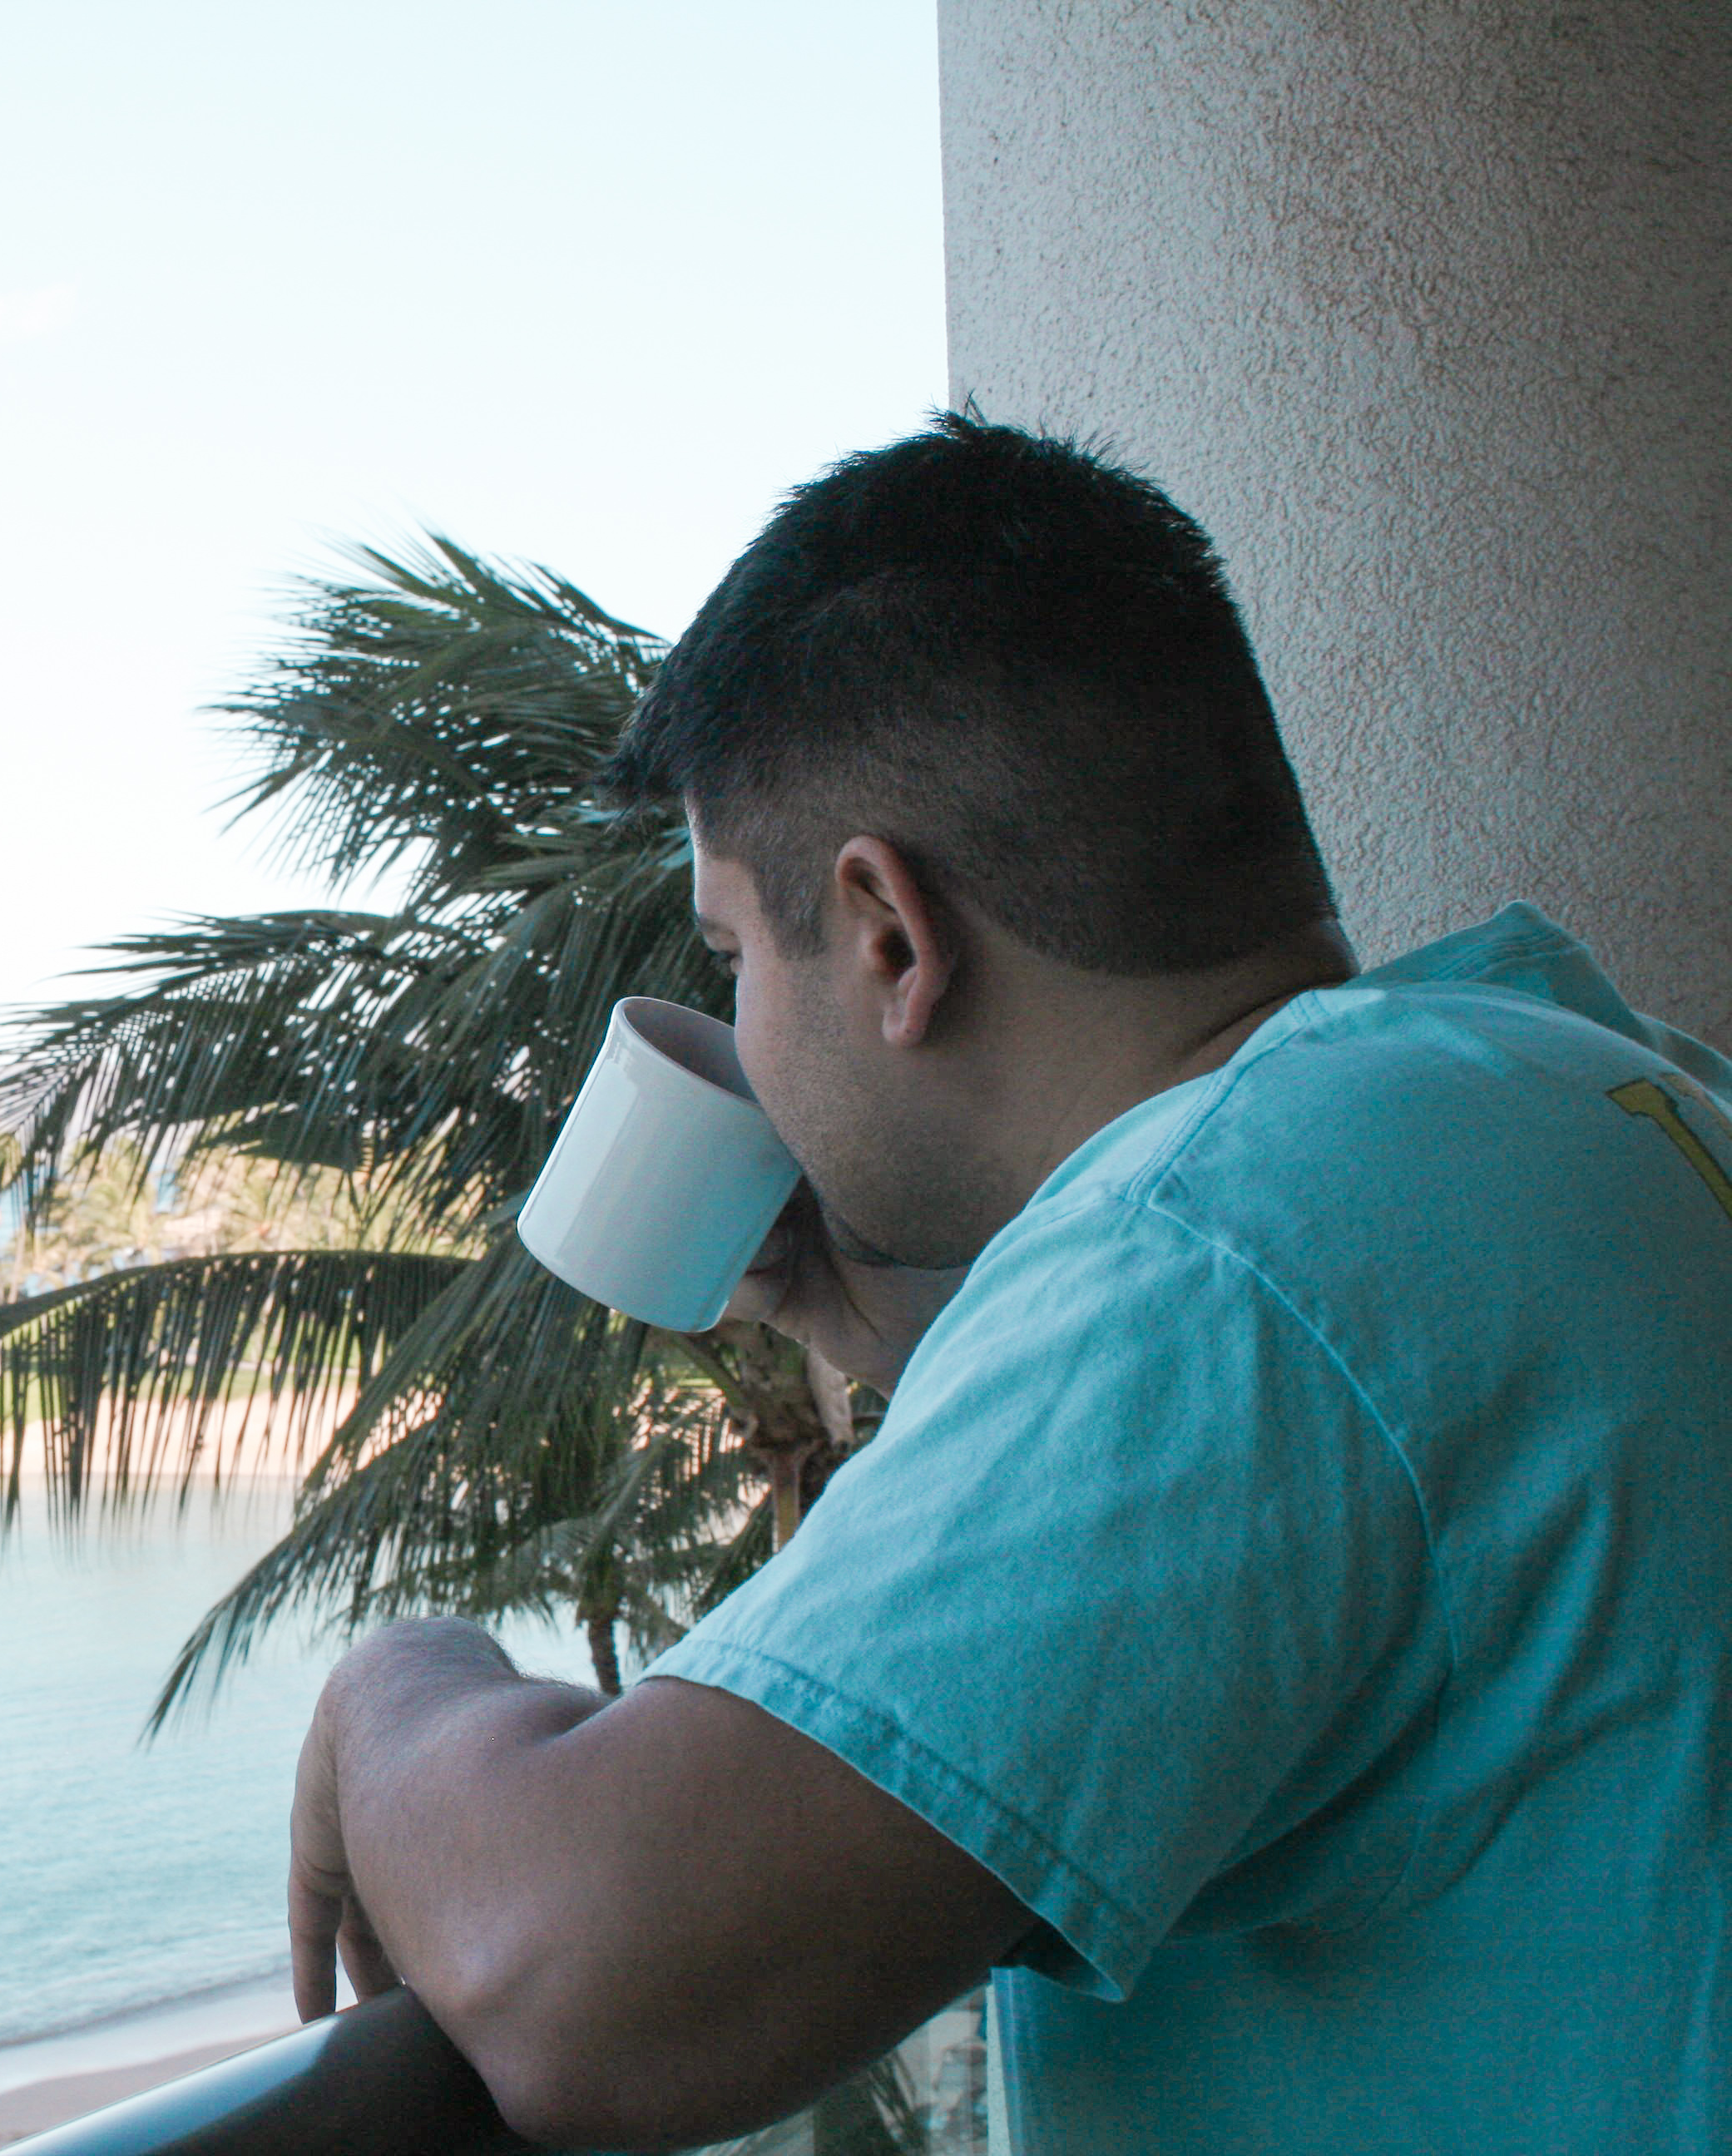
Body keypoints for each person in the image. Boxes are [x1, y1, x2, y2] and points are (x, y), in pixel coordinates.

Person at [286, 414, 1732, 2154]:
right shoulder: (1578, 1076)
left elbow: (579, 1980)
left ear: (890, 934)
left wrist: (397, 1686)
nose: (742, 1024)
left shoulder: (1234, 1242)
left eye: (738, 954)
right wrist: (848, 1317)